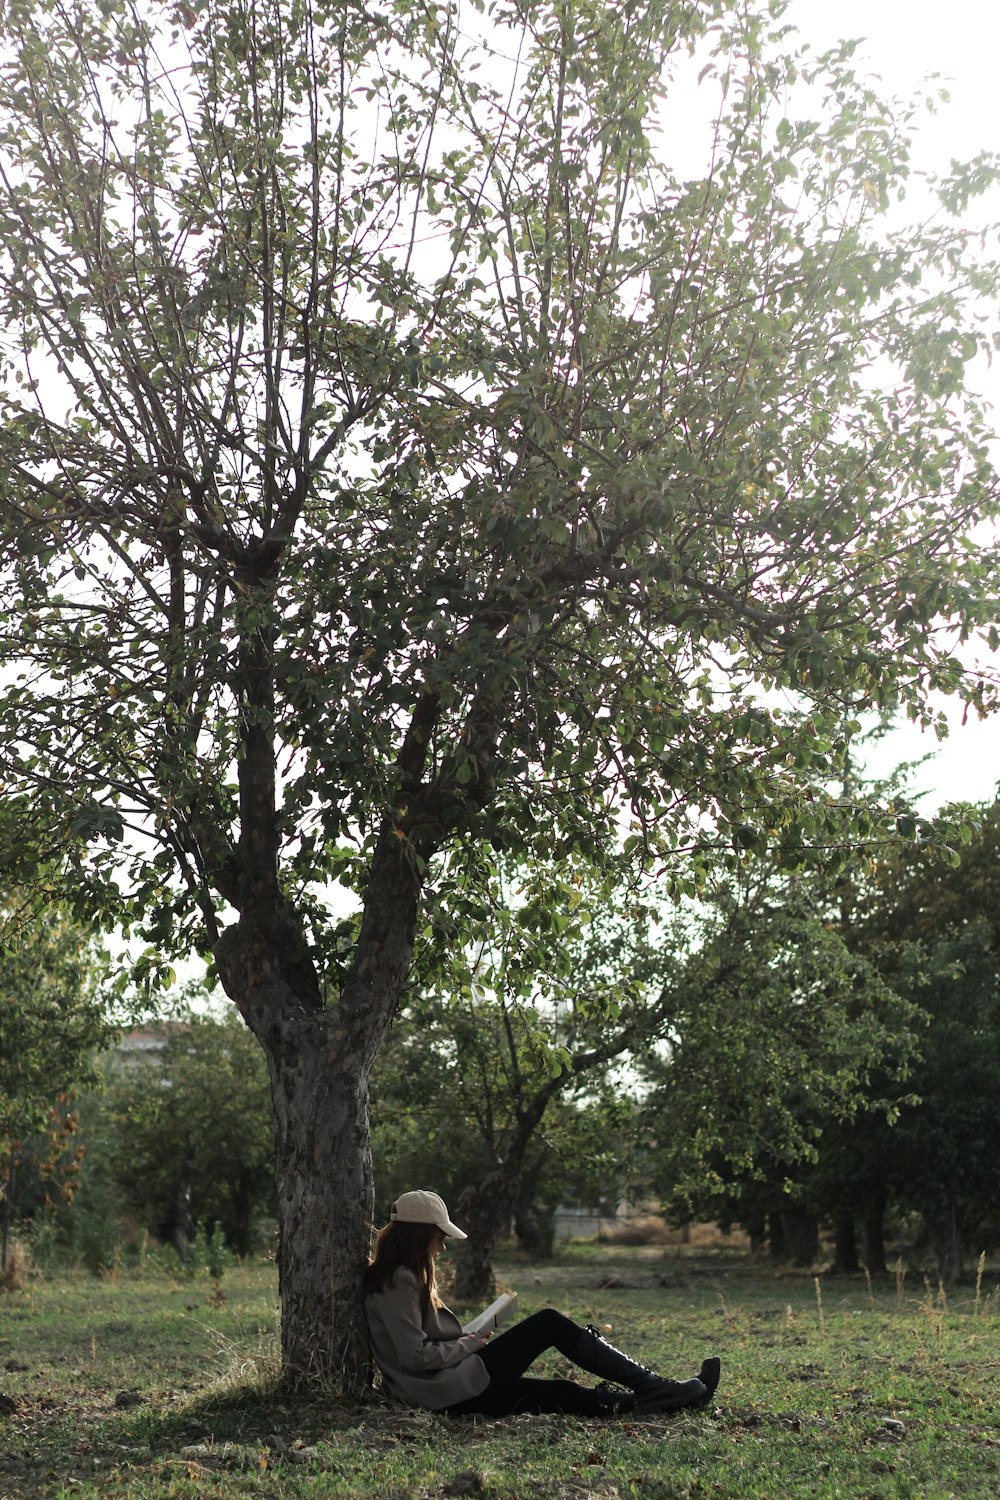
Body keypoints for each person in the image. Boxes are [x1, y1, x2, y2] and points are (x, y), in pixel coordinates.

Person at [363, 1189, 721, 1419]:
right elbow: (414, 1356)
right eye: (438, 1237)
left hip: (453, 1390)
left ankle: (671, 1400)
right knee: (547, 1323)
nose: (441, 1247)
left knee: (559, 1393)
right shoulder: (398, 1281)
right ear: (418, 1236)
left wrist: (472, 1334)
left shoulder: (404, 1276)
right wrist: (469, 1343)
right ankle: (656, 1386)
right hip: (444, 1393)